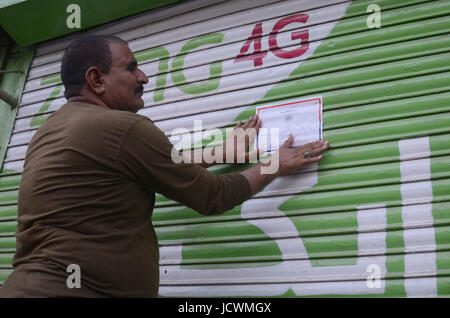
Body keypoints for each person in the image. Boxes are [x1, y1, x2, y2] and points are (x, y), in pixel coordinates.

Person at [0, 35, 329, 298]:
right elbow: (212, 196)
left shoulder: (50, 131)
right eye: (131, 68)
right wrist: (274, 165)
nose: (143, 77)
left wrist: (219, 153)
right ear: (96, 79)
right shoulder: (123, 127)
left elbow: (140, 164)